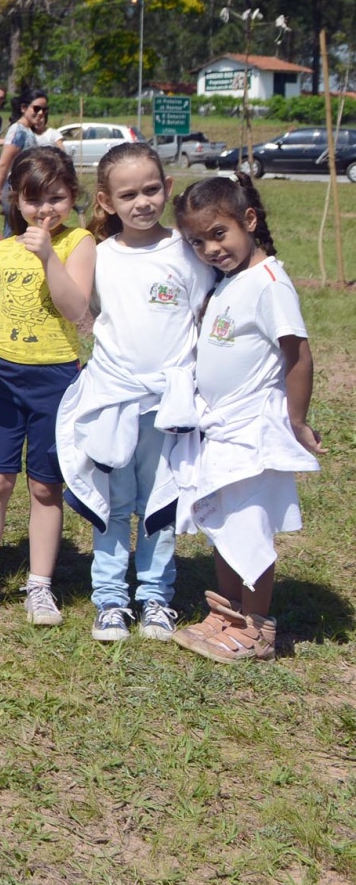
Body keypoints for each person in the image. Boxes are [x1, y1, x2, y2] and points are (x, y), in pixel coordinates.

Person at [56, 143, 213, 642]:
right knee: (113, 502)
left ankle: (155, 597)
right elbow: (79, 306)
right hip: (113, 399)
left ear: (167, 188)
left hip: (167, 408)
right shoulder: (100, 257)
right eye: (128, 194)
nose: (142, 202)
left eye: (151, 190)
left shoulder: (188, 255)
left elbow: (206, 320)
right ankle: (109, 599)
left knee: (159, 504)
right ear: (106, 201)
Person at [168, 173, 321, 662]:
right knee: (225, 524)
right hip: (222, 429)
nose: (210, 248)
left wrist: (297, 423)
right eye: (197, 241)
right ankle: (228, 613)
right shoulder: (230, 281)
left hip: (253, 431)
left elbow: (297, 355)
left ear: (248, 221)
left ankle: (256, 630)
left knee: (250, 526)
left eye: (219, 234)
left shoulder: (270, 283)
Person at [0, 147, 94, 624]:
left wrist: (47, 259)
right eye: (34, 199)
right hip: (5, 378)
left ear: (73, 198)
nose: (45, 209)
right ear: (15, 199)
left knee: (45, 488)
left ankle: (40, 587)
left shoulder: (79, 242)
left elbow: (77, 310)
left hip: (57, 378)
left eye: (56, 198)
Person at [0, 89, 49, 208]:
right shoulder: (18, 130)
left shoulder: (27, 130)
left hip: (25, 188)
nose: (41, 113)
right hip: (15, 188)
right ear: (23, 108)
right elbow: (3, 163)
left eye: (44, 109)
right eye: (37, 108)